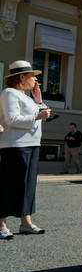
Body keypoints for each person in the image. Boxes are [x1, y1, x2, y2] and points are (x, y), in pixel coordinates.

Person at [0, 60, 51, 239]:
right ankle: (1, 224)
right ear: (21, 77)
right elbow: (12, 119)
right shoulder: (9, 93)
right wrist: (38, 116)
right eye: (32, 76)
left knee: (28, 185)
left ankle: (26, 222)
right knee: (10, 184)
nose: (35, 80)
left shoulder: (27, 97)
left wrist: (38, 100)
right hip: (15, 145)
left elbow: (45, 114)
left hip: (32, 144)